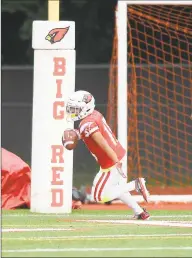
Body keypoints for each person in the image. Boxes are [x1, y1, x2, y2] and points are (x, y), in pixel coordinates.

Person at [65, 90, 150, 220]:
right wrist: (77, 133)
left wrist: (115, 161)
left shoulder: (86, 124)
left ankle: (136, 185)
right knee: (118, 189)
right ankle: (140, 212)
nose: (73, 112)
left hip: (111, 161)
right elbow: (89, 133)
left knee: (98, 195)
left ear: (85, 108)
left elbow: (102, 142)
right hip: (117, 155)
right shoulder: (94, 115)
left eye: (76, 109)